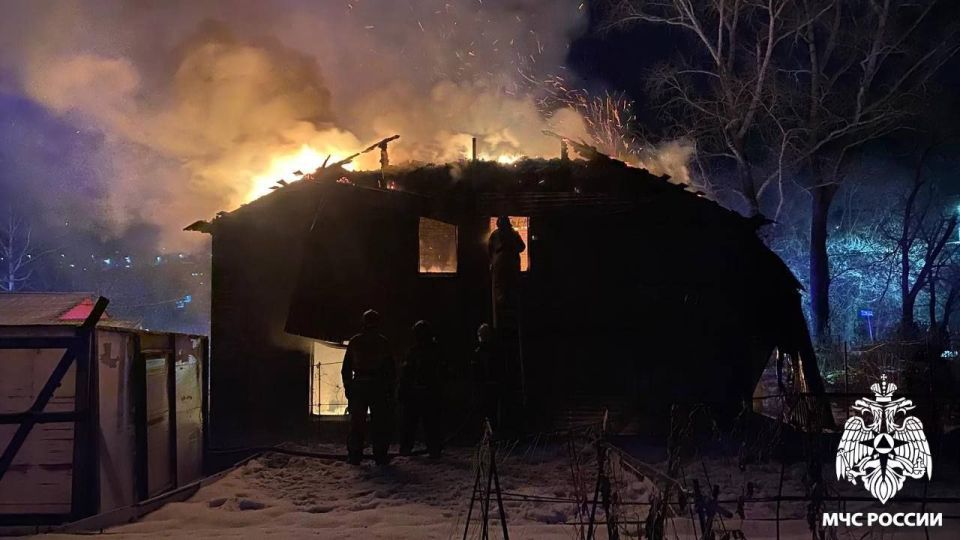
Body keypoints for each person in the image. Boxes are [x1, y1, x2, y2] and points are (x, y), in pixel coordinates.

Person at [341, 309, 395, 465]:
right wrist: (348, 386)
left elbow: (389, 369)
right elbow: (390, 369)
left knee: (369, 421)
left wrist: (349, 386)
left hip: (367, 385)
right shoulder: (376, 342)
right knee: (368, 422)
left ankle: (362, 453)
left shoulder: (360, 341)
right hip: (369, 385)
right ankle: (368, 453)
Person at [398, 320, 446, 458]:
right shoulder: (424, 351)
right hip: (423, 393)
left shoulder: (421, 351)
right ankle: (431, 448)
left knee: (423, 423)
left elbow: (406, 373)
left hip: (425, 392)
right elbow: (407, 373)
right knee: (422, 423)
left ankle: (428, 448)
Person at [488, 216, 526, 328]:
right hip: (512, 269)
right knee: (512, 294)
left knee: (499, 295)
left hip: (499, 268)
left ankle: (499, 324)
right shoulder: (514, 234)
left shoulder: (494, 235)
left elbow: (489, 251)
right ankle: (513, 322)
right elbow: (522, 247)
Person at [471, 323, 504, 430]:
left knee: (493, 413)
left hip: (493, 387)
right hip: (482, 388)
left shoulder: (495, 352)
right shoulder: (477, 354)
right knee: (482, 413)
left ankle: (494, 433)